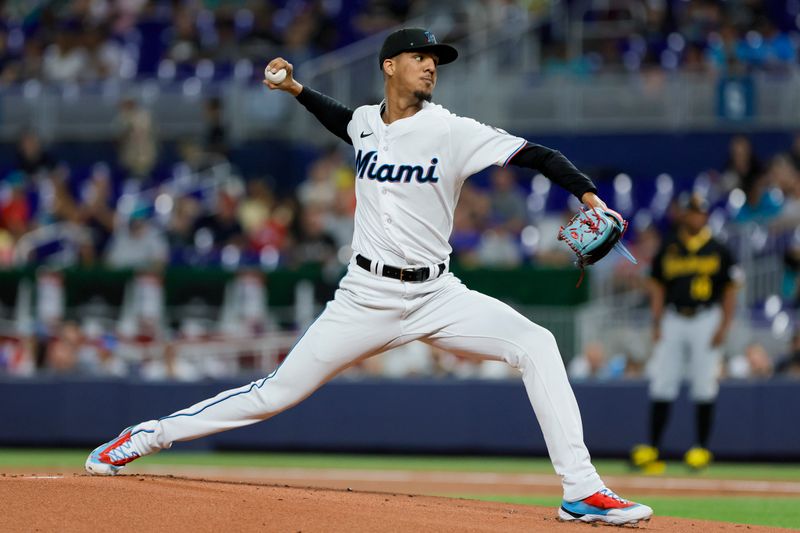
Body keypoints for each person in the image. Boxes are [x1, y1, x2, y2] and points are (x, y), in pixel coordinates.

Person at [85, 28, 652, 526]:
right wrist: (296, 90)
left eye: (436, 59)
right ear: (389, 66)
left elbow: (539, 155)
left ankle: (581, 490)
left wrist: (589, 197)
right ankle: (145, 436)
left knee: (537, 343)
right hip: (365, 296)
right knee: (274, 394)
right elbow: (344, 122)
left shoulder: (451, 130)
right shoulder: (364, 123)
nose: (432, 65)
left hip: (437, 293)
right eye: (419, 56)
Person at [631, 193, 743, 474]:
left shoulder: (718, 247)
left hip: (706, 317)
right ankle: (653, 448)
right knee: (662, 380)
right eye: (692, 212)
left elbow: (730, 291)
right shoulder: (670, 245)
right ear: (685, 215)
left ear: (705, 216)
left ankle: (700, 448)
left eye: (700, 212)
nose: (696, 217)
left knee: (704, 383)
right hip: (673, 317)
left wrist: (724, 326)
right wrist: (656, 323)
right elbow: (657, 286)